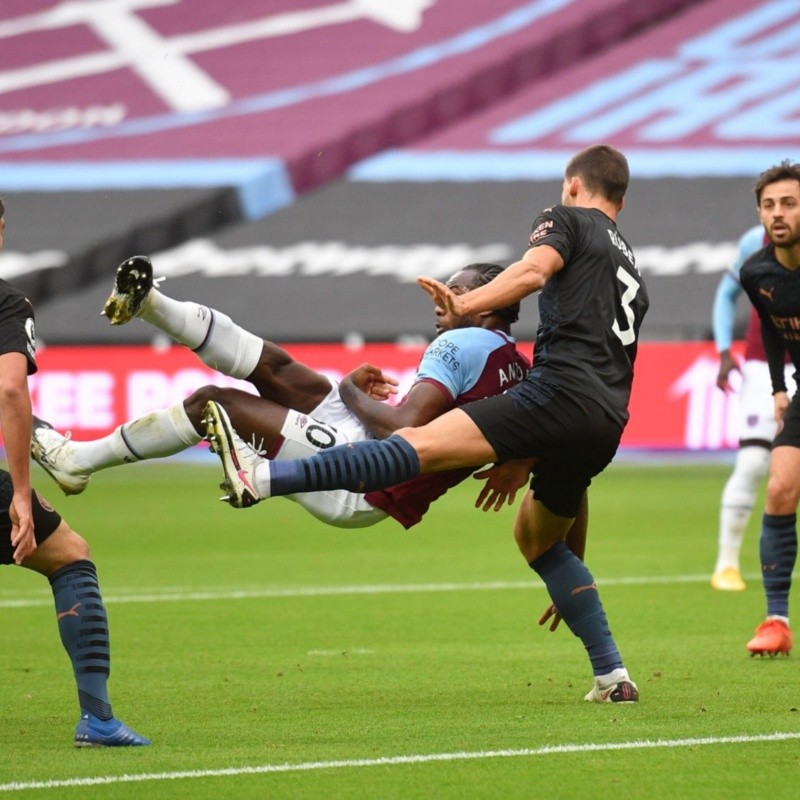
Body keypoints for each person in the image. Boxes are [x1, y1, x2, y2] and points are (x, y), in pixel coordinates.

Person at [203, 144, 648, 703]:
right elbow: (578, 461)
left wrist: (467, 305)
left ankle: (263, 479)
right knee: (537, 538)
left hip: (558, 393)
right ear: (622, 201)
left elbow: (534, 270)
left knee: (416, 444)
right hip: (607, 421)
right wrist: (534, 466)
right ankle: (613, 677)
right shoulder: (630, 265)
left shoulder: (565, 218)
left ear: (574, 186)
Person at [31, 257, 534, 530]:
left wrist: (348, 390)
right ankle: (152, 304)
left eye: (456, 291)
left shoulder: (460, 343)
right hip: (369, 456)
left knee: (216, 403)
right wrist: (524, 459)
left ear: (487, 304)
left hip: (362, 481)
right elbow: (549, 424)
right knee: (278, 369)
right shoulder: (517, 365)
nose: (441, 299)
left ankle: (78, 461)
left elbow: (400, 431)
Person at [0, 198, 149, 747]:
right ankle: (98, 718)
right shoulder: (6, 303)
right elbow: (10, 390)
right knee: (70, 556)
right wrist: (20, 492)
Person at [710, 226, 795, 591]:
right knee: (753, 463)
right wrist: (725, 351)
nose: (779, 212)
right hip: (763, 367)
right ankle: (726, 564)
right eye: (771, 203)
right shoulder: (752, 243)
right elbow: (726, 294)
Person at [739, 160, 800, 657]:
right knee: (779, 486)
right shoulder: (757, 272)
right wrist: (779, 388)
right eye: (769, 205)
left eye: (789, 203)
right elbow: (774, 328)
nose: (778, 213)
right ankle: (776, 623)